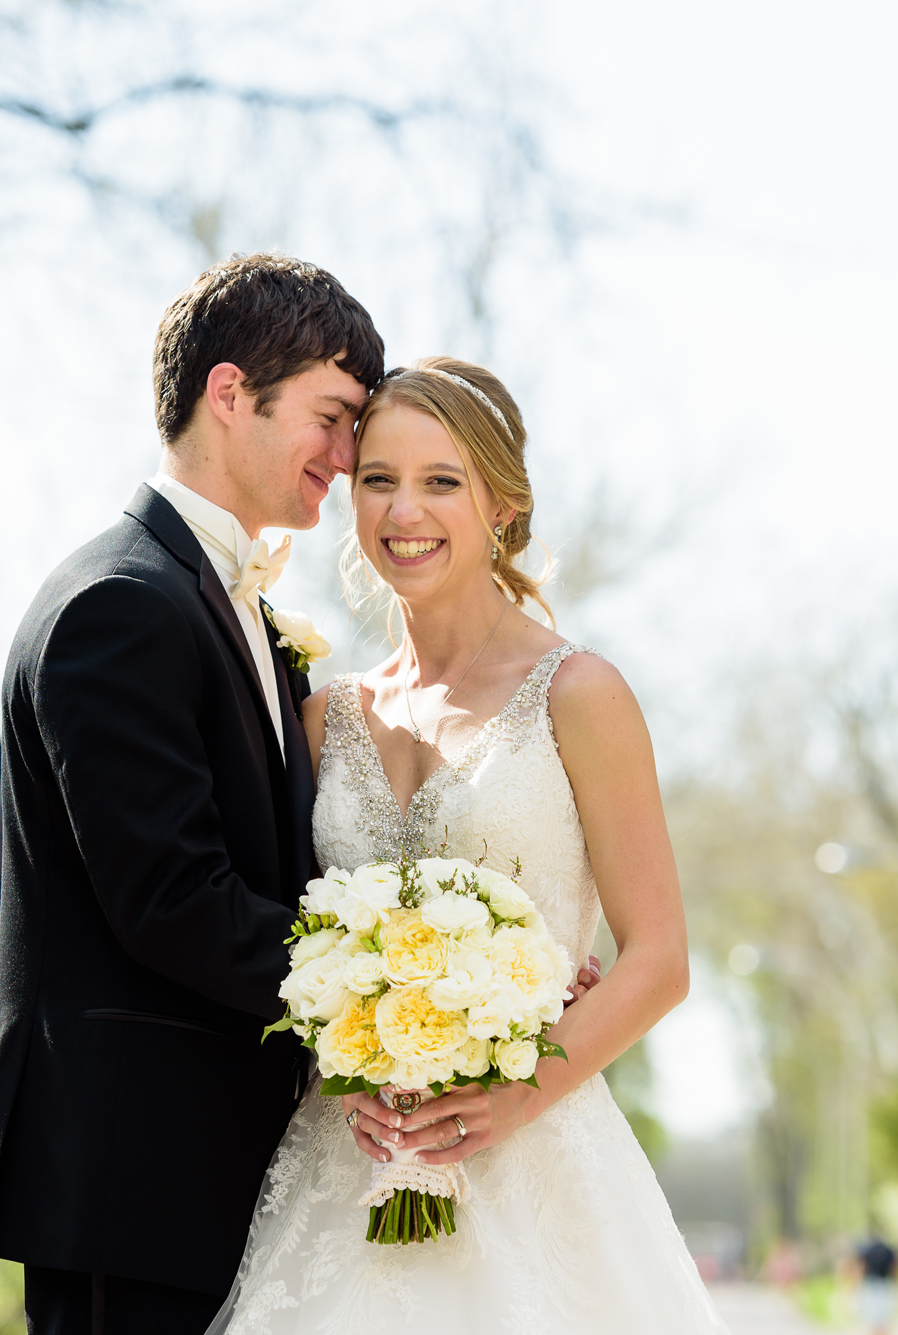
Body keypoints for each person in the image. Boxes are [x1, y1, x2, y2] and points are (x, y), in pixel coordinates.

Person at [0, 254, 601, 1334]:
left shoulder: (231, 609)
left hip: (232, 1179)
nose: (349, 464)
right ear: (227, 393)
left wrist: (511, 980)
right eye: (333, 420)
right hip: (129, 1172)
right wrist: (431, 995)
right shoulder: (119, 606)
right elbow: (172, 901)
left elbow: (287, 869)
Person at [209, 358, 728, 1333]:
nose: (405, 511)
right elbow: (301, 943)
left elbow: (657, 961)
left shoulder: (579, 695)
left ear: (502, 505)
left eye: (440, 481)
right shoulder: (326, 719)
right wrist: (341, 1056)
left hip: (534, 1157)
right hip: (349, 1158)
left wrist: (507, 1100)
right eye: (378, 480)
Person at [854, 1231, 898, 1335]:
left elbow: (862, 1267)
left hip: (871, 1284)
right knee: (884, 1319)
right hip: (884, 1283)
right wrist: (896, 1284)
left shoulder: (867, 1250)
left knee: (873, 1320)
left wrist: (857, 1283)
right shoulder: (888, 1250)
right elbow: (894, 1268)